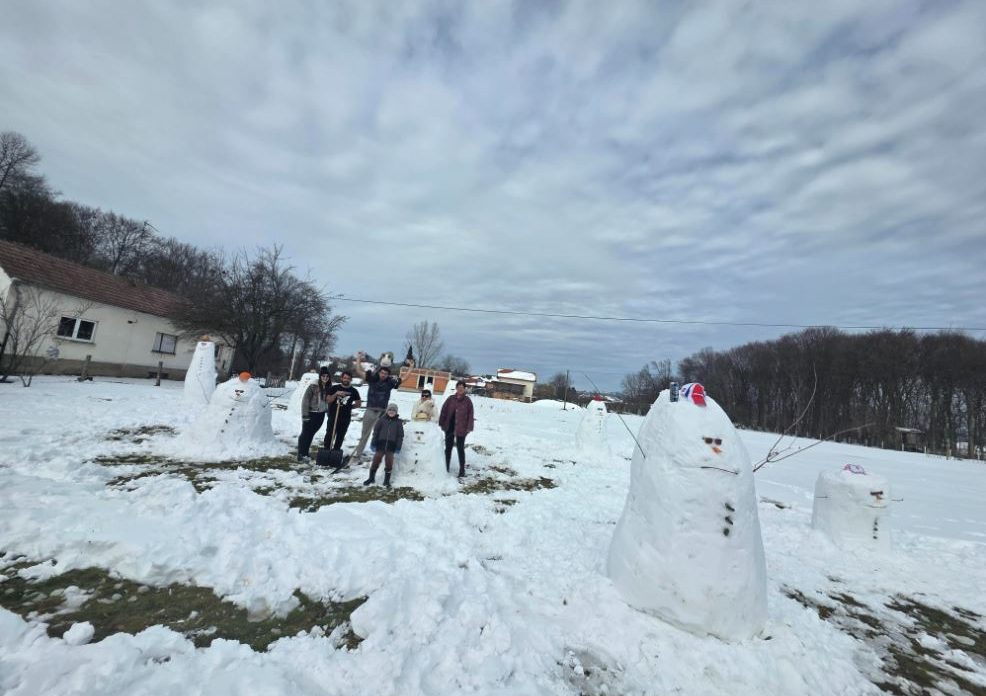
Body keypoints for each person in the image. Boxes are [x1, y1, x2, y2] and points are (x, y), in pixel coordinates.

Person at [352, 351, 402, 460]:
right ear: (379, 372)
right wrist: (359, 359)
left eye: (385, 373)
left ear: (388, 374)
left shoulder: (389, 383)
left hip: (382, 412)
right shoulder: (372, 380)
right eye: (382, 373)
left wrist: (411, 368)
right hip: (370, 410)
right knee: (365, 434)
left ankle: (379, 454)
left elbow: (404, 378)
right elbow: (359, 370)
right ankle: (358, 454)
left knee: (381, 435)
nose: (383, 375)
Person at [364, 402, 404, 488]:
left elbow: (400, 436)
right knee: (376, 461)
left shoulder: (398, 422)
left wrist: (398, 447)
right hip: (380, 445)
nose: (391, 412)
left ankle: (386, 481)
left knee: (389, 463)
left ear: (396, 412)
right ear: (387, 411)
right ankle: (371, 478)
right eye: (390, 410)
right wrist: (373, 443)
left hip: (391, 447)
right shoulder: (381, 420)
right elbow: (376, 432)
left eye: (393, 410)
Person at [439, 380, 474, 478]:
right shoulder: (451, 399)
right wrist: (442, 423)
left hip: (461, 427)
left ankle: (462, 470)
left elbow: (471, 415)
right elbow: (444, 410)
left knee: (460, 448)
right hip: (449, 426)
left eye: (462, 388)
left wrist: (469, 427)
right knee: (448, 448)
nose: (460, 389)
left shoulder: (467, 401)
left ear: (464, 389)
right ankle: (446, 467)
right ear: (456, 388)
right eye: (458, 387)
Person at [297, 367, 330, 462]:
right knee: (305, 434)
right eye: (323, 376)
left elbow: (327, 401)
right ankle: (301, 454)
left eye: (327, 376)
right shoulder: (313, 386)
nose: (325, 378)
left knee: (311, 434)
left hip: (320, 415)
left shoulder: (328, 387)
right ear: (320, 376)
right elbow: (305, 401)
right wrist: (305, 415)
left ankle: (305, 453)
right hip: (311, 413)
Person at [324, 370, 362, 450]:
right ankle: (326, 450)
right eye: (344, 378)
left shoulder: (354, 391)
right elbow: (328, 400)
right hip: (333, 416)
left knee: (340, 436)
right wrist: (335, 394)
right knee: (329, 434)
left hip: (345, 418)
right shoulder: (334, 388)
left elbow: (358, 404)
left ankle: (336, 451)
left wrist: (349, 407)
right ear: (341, 378)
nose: (346, 380)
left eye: (348, 378)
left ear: (351, 380)